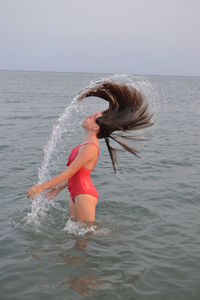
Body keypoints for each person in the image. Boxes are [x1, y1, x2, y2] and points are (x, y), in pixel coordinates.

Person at [26, 80, 153, 224]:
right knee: (76, 235)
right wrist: (59, 188)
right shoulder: (85, 145)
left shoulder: (90, 148)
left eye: (92, 118)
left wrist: (41, 187)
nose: (88, 117)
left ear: (95, 128)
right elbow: (75, 173)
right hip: (76, 194)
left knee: (86, 236)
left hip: (85, 195)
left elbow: (68, 172)